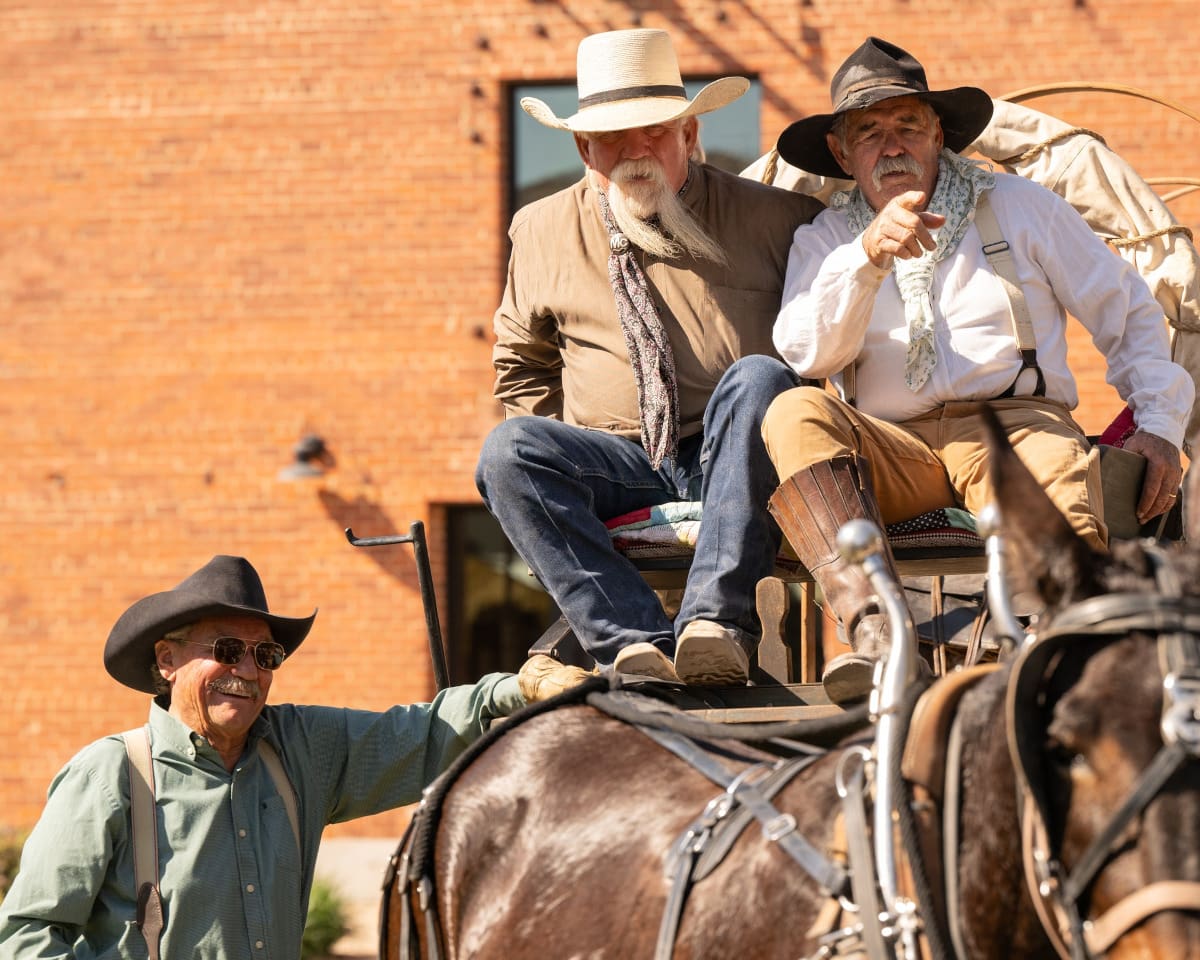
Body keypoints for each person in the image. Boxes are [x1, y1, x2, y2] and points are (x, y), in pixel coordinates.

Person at [761, 37, 1193, 703]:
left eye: (908, 125)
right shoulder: (825, 239)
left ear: (939, 135)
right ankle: (872, 628)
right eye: (870, 132)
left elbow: (1129, 312)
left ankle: (1070, 661)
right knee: (793, 410)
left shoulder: (1022, 206)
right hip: (891, 446)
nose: (892, 145)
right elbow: (806, 354)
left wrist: (1160, 423)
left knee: (1060, 483)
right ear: (843, 154)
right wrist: (867, 258)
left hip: (1013, 428)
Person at [476, 28, 822, 689]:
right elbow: (520, 366)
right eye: (613, 137)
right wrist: (582, 437)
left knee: (759, 377)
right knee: (507, 452)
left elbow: (832, 343)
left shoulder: (781, 220)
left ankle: (714, 628)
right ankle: (631, 643)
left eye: (655, 132)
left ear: (689, 135)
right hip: (621, 461)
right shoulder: (540, 228)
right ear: (583, 148)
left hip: (742, 455)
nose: (636, 151)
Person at [0, 555, 527, 958]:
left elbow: (423, 731)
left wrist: (520, 689)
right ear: (167, 659)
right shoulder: (110, 774)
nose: (248, 671)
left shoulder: (299, 750)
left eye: (265, 655)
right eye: (227, 650)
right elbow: (26, 937)